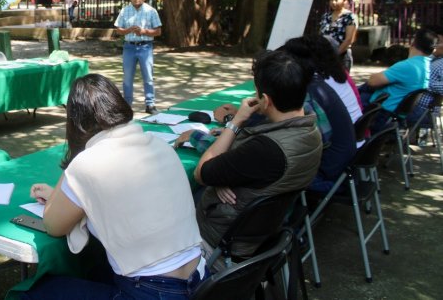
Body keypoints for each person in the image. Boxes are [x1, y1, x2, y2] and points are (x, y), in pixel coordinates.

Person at [25, 74, 205, 299]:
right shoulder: (159, 144)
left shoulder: (86, 163)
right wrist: (66, 194)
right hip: (200, 278)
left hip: (151, 290)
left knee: (39, 292)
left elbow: (53, 225)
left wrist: (75, 159)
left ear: (75, 123)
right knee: (94, 270)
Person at [185, 50, 321, 267]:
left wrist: (235, 122)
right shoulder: (311, 131)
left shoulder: (266, 149)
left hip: (219, 243)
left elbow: (202, 172)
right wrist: (224, 175)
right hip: (263, 234)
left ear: (265, 101)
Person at [281, 36, 358, 192]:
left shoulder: (309, 92)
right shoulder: (318, 83)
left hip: (328, 172)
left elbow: (302, 142)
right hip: (344, 161)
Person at [361, 28, 436, 131]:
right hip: (395, 114)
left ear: (413, 43)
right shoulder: (426, 64)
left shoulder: (407, 66)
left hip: (380, 114)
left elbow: (372, 81)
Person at [114, 0, 162, 114]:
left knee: (148, 77)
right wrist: (128, 30)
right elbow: (118, 30)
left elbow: (158, 31)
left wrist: (144, 31)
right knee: (127, 77)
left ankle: (150, 104)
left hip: (145, 47)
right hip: (129, 47)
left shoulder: (151, 11)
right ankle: (127, 105)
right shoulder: (125, 11)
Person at [407, 25, 443, 129]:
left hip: (422, 111)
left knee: (381, 109)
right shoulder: (431, 59)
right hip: (414, 107)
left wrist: (424, 81)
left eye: (439, 42)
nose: (435, 45)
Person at [319, 0, 358, 71]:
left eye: (336, 0)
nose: (333, 2)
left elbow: (349, 39)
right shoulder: (326, 16)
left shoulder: (349, 17)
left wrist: (335, 54)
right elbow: (320, 35)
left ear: (344, 0)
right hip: (325, 56)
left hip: (342, 56)